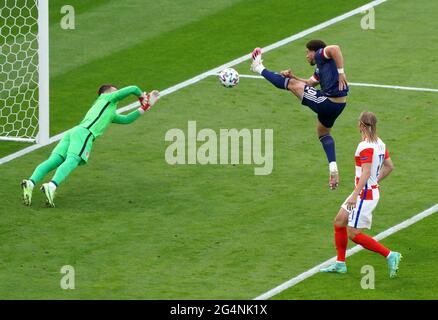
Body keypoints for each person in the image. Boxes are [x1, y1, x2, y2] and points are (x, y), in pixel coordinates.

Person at [21, 85, 160, 207]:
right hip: (85, 133)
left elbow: (127, 119)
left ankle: (30, 183)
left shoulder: (109, 111)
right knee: (72, 160)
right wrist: (142, 97)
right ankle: (51, 186)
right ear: (107, 92)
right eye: (115, 90)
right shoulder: (107, 98)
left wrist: (145, 107)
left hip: (73, 132)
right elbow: (133, 88)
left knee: (54, 160)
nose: (118, 93)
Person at [250, 40, 348, 189]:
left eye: (307, 52)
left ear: (314, 51)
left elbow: (336, 48)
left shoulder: (322, 54)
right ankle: (333, 166)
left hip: (328, 103)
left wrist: (341, 73)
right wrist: (293, 76)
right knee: (323, 134)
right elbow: (308, 84)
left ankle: (258, 67)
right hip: (338, 105)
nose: (306, 56)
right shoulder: (320, 68)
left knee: (290, 84)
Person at [320, 111, 402, 278]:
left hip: (363, 195)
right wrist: (374, 182)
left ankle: (390, 255)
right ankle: (340, 264)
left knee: (353, 234)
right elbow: (390, 167)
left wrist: (354, 195)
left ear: (362, 125)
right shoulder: (379, 143)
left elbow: (365, 173)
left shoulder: (365, 146)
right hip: (367, 191)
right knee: (339, 222)